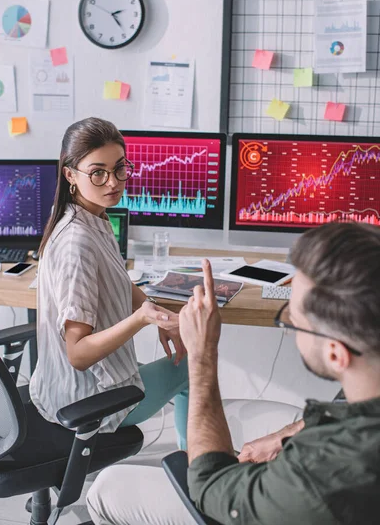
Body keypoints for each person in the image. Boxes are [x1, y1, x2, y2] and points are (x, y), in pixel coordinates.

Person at [87, 221, 380, 524]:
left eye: (293, 320)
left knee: (106, 487)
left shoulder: (317, 474)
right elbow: (347, 412)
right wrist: (284, 437)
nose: (291, 330)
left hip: (250, 500)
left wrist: (202, 355)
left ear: (336, 355)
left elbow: (210, 487)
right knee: (228, 415)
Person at [29, 117, 189, 448]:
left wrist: (155, 312)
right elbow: (78, 354)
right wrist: (142, 318)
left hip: (62, 387)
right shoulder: (78, 243)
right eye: (98, 172)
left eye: (120, 169)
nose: (113, 182)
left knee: (183, 358)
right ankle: (200, 476)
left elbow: (119, 282)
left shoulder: (90, 216)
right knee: (196, 367)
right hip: (87, 401)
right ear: (70, 174)